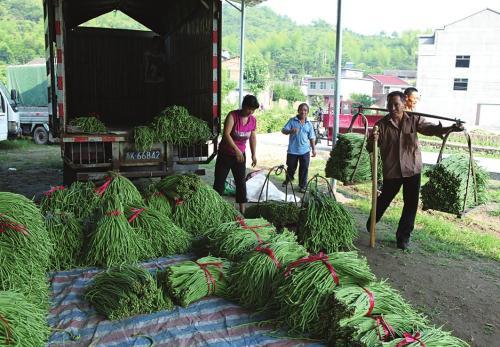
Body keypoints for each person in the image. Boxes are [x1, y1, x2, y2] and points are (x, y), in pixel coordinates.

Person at [366, 91, 462, 250]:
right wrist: (373, 139)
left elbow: (430, 129)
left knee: (411, 204)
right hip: (392, 170)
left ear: (404, 104)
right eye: (389, 104)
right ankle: (372, 221)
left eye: (396, 104)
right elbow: (370, 148)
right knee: (384, 199)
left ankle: (403, 237)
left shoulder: (414, 120)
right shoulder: (381, 125)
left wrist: (450, 128)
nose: (392, 107)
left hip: (412, 169)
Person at [213, 95, 259, 214]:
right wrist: (236, 149)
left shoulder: (252, 120)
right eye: (249, 108)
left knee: (241, 182)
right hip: (226, 154)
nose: (251, 112)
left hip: (240, 156)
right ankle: (215, 208)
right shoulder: (232, 116)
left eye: (253, 110)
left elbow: (252, 137)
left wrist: (254, 154)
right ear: (243, 106)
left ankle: (242, 210)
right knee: (219, 182)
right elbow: (226, 134)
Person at [281, 103, 317, 193]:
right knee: (291, 168)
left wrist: (314, 149)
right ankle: (288, 179)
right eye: (301, 109)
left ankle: (302, 186)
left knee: (304, 168)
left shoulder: (309, 124)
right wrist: (290, 131)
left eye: (305, 110)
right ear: (298, 110)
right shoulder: (292, 121)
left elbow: (312, 137)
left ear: (307, 112)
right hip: (292, 150)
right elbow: (283, 130)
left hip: (305, 151)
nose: (303, 112)